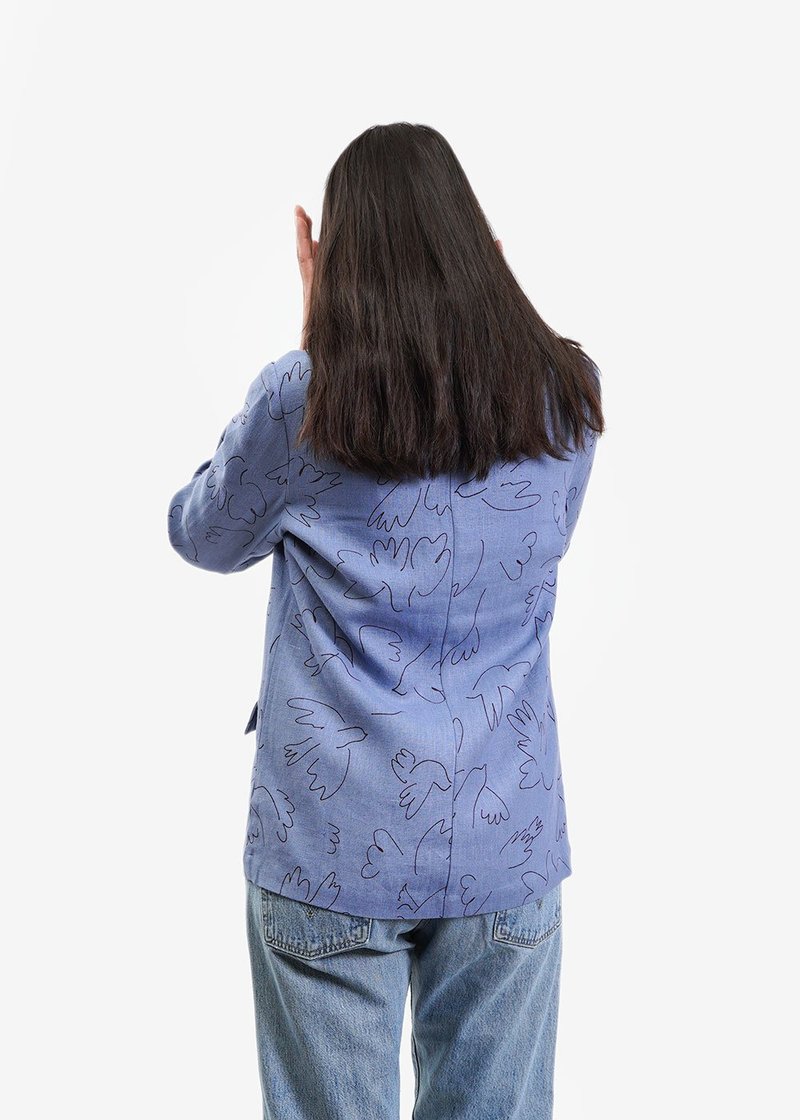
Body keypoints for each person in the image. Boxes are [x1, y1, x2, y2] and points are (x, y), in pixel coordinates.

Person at [167, 122, 604, 1120]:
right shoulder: (564, 392)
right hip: (503, 832)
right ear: (475, 242)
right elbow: (542, 542)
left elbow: (202, 534)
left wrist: (316, 341)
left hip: (330, 839)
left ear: (330, 256)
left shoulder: (302, 397)